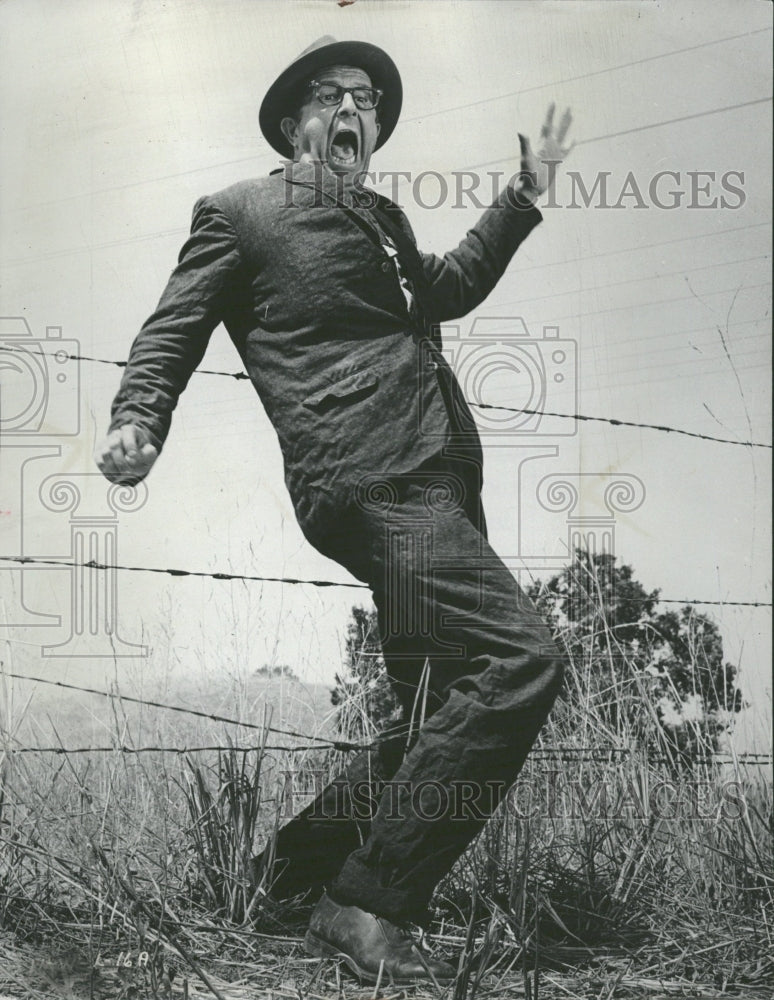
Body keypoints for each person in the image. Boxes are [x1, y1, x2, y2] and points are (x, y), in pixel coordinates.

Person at [95, 36, 573, 986]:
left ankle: (289, 881)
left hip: (436, 480)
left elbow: (443, 289)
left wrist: (522, 199)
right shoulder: (242, 213)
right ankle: (366, 907)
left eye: (367, 101)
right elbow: (171, 327)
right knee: (519, 659)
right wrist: (137, 418)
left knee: (433, 706)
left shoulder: (383, 221)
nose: (354, 111)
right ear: (293, 125)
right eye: (331, 96)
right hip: (367, 476)